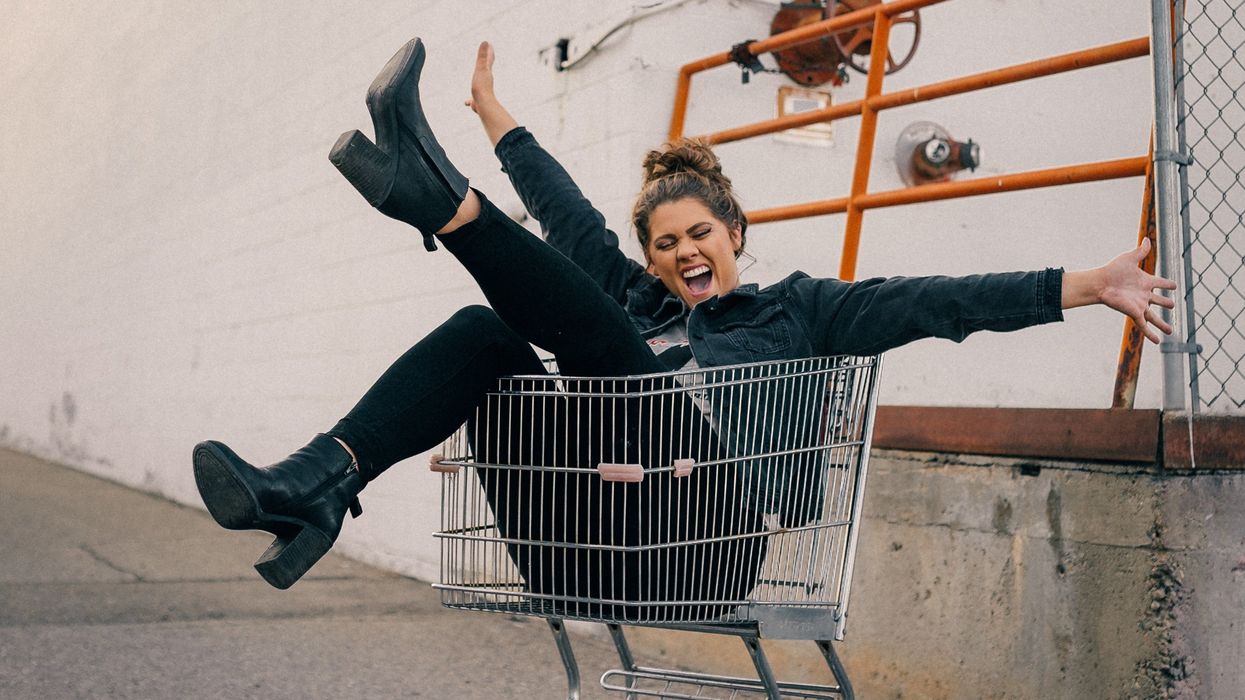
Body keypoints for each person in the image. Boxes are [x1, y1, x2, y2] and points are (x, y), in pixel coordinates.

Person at [192, 38, 1176, 607]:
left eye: (698, 235)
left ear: (734, 231)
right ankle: (318, 482)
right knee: (487, 333)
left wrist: (1086, 282)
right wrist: (495, 114)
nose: (680, 256)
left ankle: (440, 203)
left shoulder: (800, 310)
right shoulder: (631, 301)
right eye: (663, 246)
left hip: (704, 549)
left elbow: (935, 302)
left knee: (612, 356)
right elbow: (568, 213)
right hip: (579, 541)